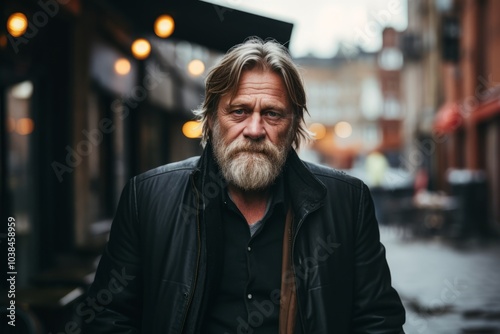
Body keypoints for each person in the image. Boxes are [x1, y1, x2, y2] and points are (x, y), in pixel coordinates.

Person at [83, 38, 405, 334]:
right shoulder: (147, 199)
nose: (254, 129)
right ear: (210, 120)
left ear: (293, 127)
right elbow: (108, 319)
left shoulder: (347, 203)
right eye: (239, 111)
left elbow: (378, 323)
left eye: (272, 114)